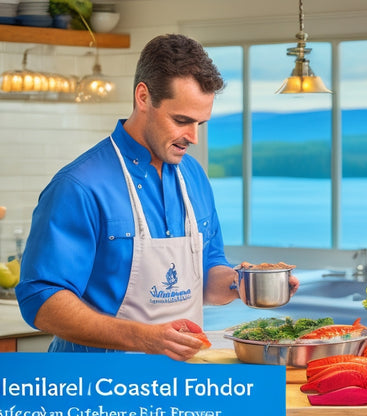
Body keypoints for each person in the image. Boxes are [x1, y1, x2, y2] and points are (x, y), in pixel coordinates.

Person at [16, 34, 298, 361]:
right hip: (98, 387)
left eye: (200, 123)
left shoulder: (193, 176)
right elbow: (40, 299)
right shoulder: (79, 185)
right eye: (181, 121)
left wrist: (244, 283)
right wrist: (143, 338)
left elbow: (204, 274)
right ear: (143, 97)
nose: (192, 137)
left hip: (176, 383)